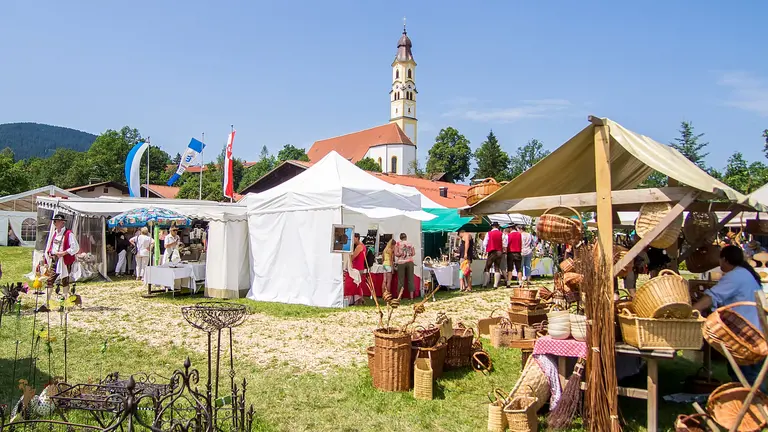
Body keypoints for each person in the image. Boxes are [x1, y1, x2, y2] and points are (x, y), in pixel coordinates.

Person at [693, 245, 766, 392]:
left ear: (725, 259)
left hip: (746, 334)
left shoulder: (735, 276)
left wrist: (692, 310)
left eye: (720, 260)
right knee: (744, 375)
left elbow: (711, 298)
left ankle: (755, 407)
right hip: (753, 330)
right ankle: (750, 405)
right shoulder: (744, 273)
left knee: (748, 377)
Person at [43, 214, 79, 301]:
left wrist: (64, 253)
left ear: (62, 222)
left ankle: (65, 299)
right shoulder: (55, 233)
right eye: (55, 221)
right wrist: (50, 253)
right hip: (55, 260)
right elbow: (52, 245)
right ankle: (46, 302)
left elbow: (75, 248)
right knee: (50, 280)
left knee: (65, 280)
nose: (55, 223)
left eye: (57, 221)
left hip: (64, 260)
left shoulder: (68, 234)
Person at [483, 222, 504, 288]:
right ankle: (495, 284)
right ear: (497, 226)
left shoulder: (489, 233)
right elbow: (505, 242)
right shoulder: (501, 234)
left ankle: (485, 284)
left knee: (487, 267)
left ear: (492, 226)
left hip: (491, 251)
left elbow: (485, 243)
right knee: (497, 268)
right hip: (499, 252)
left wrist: (486, 249)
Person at [350, 233, 367, 303]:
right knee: (358, 284)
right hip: (360, 267)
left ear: (357, 238)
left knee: (357, 284)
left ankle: (359, 299)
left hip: (357, 268)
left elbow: (353, 256)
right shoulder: (362, 246)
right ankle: (360, 299)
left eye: (353, 238)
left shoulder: (359, 247)